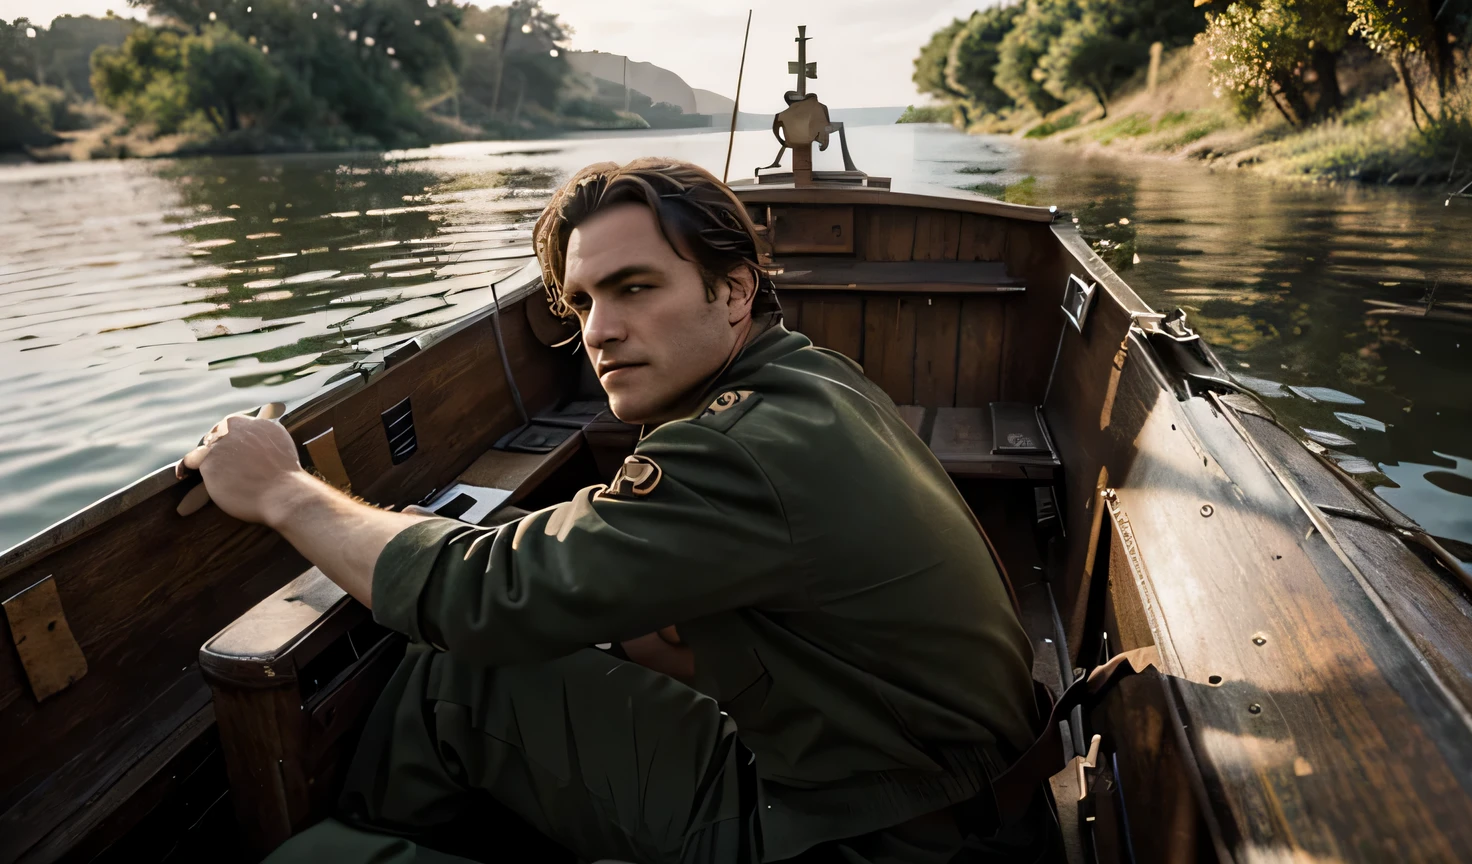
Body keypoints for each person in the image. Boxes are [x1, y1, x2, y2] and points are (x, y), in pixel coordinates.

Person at [181, 157, 1045, 863]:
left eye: (635, 288)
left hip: (863, 833)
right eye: (584, 301)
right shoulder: (816, 379)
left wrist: (280, 488)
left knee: (457, 671)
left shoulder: (734, 446)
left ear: (735, 291)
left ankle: (359, 849)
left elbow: (478, 596)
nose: (599, 330)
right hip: (945, 786)